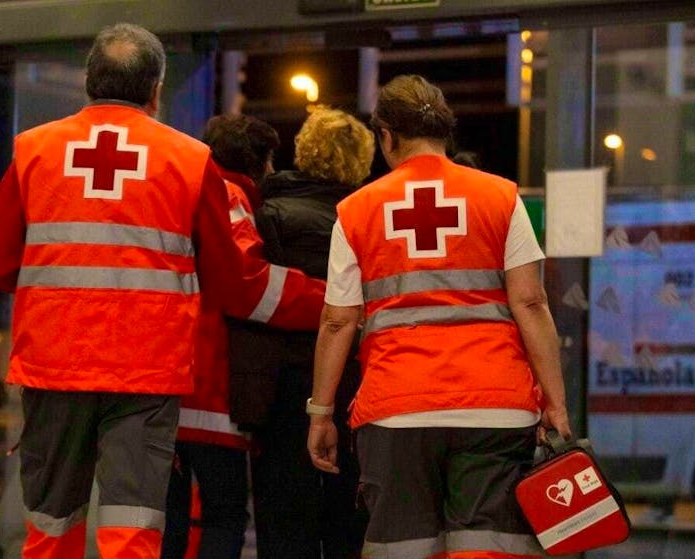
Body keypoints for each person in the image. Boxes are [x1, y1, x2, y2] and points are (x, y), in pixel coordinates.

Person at [0, 23, 253, 559]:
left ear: (87, 83)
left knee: (51, 525)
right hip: (145, 371)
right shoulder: (190, 160)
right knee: (134, 528)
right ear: (155, 90)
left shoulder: (35, 151)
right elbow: (227, 278)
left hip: (53, 364)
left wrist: (49, 287)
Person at [306, 75, 572, 559]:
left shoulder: (357, 210)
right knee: (488, 548)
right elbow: (531, 304)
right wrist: (555, 402)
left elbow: (338, 320)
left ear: (386, 136)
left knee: (402, 549)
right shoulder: (501, 197)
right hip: (496, 405)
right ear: (444, 131)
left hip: (397, 408)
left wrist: (320, 413)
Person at [162, 114, 326, 559]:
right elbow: (248, 284)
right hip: (210, 389)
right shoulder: (228, 195)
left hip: (162, 386)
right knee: (224, 514)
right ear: (260, 163)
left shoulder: (176, 191)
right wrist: (329, 301)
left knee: (168, 520)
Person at [243, 106, 374, 559]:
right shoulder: (366, 219)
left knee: (283, 520)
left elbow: (254, 299)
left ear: (304, 151)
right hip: (357, 381)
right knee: (350, 518)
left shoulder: (270, 213)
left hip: (285, 386)